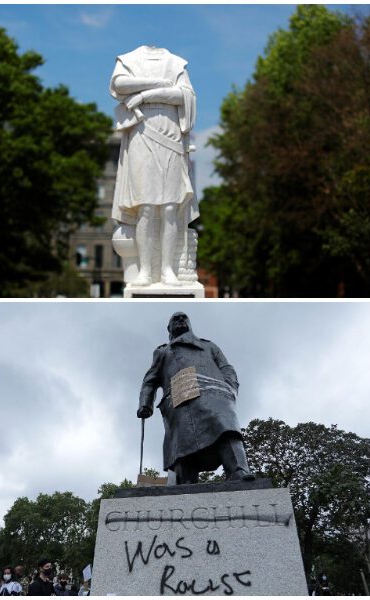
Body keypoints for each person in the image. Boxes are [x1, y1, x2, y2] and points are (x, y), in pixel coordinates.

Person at [109, 45, 197, 286]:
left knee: (170, 207)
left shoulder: (177, 62)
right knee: (145, 207)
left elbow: (184, 96)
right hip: (141, 131)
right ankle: (146, 270)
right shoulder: (129, 59)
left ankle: (167, 269)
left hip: (170, 131)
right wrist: (158, 84)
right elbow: (119, 85)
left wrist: (144, 96)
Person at [137, 312, 255, 484]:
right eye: (175, 319)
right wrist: (145, 403)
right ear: (169, 328)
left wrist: (229, 388)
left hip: (214, 393)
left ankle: (238, 470)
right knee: (182, 444)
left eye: (183, 317)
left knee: (226, 427)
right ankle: (185, 484)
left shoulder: (209, 346)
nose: (180, 319)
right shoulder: (163, 352)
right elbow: (150, 380)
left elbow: (226, 368)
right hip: (180, 398)